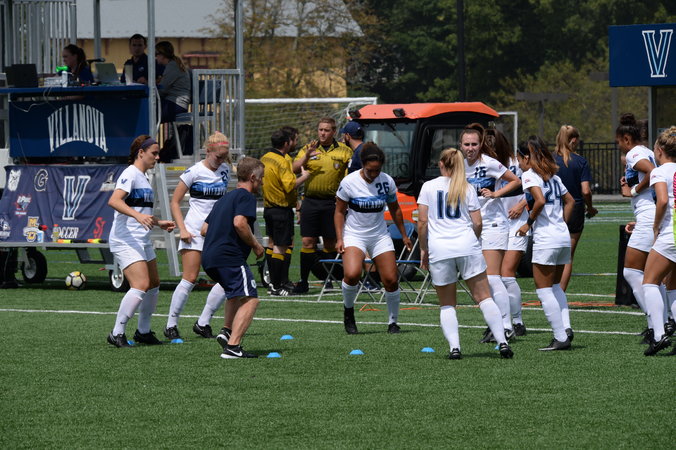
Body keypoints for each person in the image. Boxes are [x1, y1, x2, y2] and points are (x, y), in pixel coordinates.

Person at [417, 148, 514, 359]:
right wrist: (473, 241)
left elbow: (422, 222)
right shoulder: (467, 187)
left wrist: (423, 248)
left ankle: (455, 348)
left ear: (441, 163)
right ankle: (503, 342)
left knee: (447, 304)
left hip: (440, 248)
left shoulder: (428, 187)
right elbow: (477, 222)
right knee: (484, 298)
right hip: (467, 245)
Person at [106, 135, 176, 347]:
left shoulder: (144, 177)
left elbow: (140, 212)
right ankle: (117, 332)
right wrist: (138, 216)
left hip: (140, 239)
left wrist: (159, 223)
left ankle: (143, 332)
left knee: (153, 284)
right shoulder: (130, 173)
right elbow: (114, 200)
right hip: (125, 239)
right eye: (154, 153)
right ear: (141, 153)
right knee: (141, 284)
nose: (157, 157)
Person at [334, 143, 412, 334]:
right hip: (355, 234)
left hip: (379, 235)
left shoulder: (387, 181)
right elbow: (339, 212)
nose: (374, 174)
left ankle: (393, 322)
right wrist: (339, 238)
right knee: (352, 275)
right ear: (363, 165)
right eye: (370, 170)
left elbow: (395, 209)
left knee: (391, 279)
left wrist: (404, 235)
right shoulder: (349, 182)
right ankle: (348, 312)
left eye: (377, 170)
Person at [164, 132, 232, 340]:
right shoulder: (194, 171)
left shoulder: (225, 170)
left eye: (224, 157)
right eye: (218, 156)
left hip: (216, 232)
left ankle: (203, 323)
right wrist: (182, 229)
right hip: (193, 231)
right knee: (190, 278)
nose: (221, 160)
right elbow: (175, 202)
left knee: (226, 278)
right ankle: (171, 324)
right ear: (207, 151)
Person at [461, 123, 521, 342]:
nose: (470, 148)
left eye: (474, 144)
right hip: (472, 226)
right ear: (461, 145)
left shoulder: (490, 163)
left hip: (493, 224)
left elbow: (515, 181)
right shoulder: (459, 165)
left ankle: (506, 326)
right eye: (466, 144)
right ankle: (496, 324)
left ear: (480, 145)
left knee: (493, 277)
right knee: (482, 279)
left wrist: (496, 194)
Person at [201, 157, 266, 359]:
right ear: (253, 177)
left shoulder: (224, 199)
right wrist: (256, 245)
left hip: (209, 258)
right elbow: (239, 223)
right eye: (261, 178)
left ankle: (227, 331)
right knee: (251, 299)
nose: (262, 182)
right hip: (229, 257)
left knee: (235, 293)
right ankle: (233, 347)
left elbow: (204, 229)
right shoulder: (246, 197)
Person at [516, 136, 575, 351]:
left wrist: (528, 224)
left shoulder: (529, 175)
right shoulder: (553, 177)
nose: (519, 163)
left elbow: (539, 200)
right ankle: (566, 328)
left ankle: (560, 336)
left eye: (519, 158)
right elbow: (570, 201)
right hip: (561, 236)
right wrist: (561, 222)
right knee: (556, 287)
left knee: (543, 290)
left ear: (526, 157)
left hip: (546, 238)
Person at [292, 117, 353, 293]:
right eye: (320, 130)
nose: (322, 133)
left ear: (334, 132)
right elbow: (294, 168)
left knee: (330, 243)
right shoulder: (309, 148)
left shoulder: (344, 151)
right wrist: (306, 156)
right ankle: (303, 281)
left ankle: (329, 279)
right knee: (307, 241)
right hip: (310, 201)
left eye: (326, 130)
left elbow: (352, 174)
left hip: (331, 203)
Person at [616, 113, 658, 341]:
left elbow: (652, 172)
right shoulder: (647, 150)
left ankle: (656, 323)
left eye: (618, 142)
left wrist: (633, 190)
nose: (619, 147)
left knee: (632, 272)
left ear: (626, 139)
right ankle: (661, 322)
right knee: (654, 275)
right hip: (650, 214)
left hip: (649, 214)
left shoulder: (634, 153)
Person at [487, 129, 528, 336]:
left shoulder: (515, 163)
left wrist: (521, 205)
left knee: (507, 274)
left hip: (517, 224)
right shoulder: (484, 165)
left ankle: (517, 321)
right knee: (494, 277)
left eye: (491, 146)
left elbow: (536, 187)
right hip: (495, 225)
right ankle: (500, 320)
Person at [260, 129, 310, 295]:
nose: (295, 143)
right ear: (287, 143)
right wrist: (305, 176)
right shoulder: (282, 161)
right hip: (281, 209)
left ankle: (276, 283)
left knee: (273, 244)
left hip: (269, 208)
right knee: (280, 247)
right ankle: (277, 285)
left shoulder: (265, 157)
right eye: (294, 140)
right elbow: (290, 185)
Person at [641, 127, 676, 356]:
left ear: (660, 150)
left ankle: (659, 334)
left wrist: (655, 226)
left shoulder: (659, 171)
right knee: (673, 286)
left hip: (671, 232)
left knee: (649, 282)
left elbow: (662, 201)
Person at [554, 125, 598, 291]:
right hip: (575, 209)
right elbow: (585, 190)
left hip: (553, 209)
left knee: (550, 253)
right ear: (573, 140)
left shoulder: (550, 160)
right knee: (567, 256)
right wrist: (590, 208)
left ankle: (547, 291)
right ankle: (560, 294)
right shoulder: (580, 161)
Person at [155, 41, 191, 123]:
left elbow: (162, 90)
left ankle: (145, 132)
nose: (155, 57)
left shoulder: (172, 66)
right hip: (178, 104)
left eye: (156, 54)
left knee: (147, 112)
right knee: (148, 111)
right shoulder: (174, 64)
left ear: (162, 55)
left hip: (176, 105)